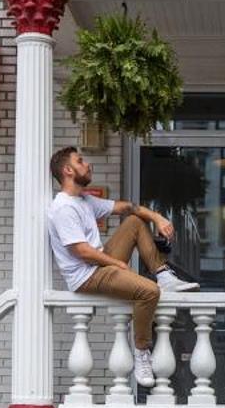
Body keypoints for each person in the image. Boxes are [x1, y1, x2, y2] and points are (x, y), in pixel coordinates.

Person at [47, 144, 198, 391]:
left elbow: (126, 207)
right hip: (86, 276)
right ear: (68, 170)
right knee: (148, 292)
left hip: (99, 263)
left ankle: (163, 274)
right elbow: (81, 251)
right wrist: (117, 263)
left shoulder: (83, 200)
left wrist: (158, 218)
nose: (87, 164)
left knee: (134, 222)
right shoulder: (64, 207)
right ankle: (141, 352)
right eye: (80, 161)